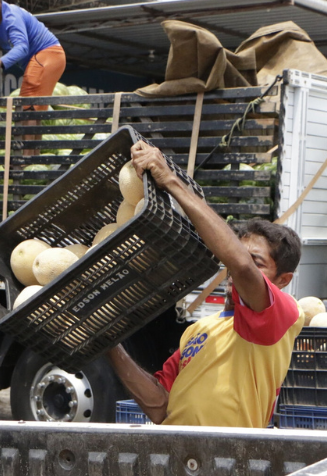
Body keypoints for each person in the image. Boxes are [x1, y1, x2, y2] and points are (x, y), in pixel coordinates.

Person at [106, 141, 304, 428]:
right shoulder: (198, 331)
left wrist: (170, 180)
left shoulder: (282, 316)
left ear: (283, 280)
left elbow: (240, 265)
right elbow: (159, 406)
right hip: (175, 456)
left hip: (228, 459)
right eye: (239, 254)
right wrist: (110, 346)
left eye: (257, 262)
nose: (236, 270)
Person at [0, 0, 66, 105]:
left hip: (48, 54)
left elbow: (22, 47)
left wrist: (2, 61)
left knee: (27, 104)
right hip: (34, 60)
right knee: (30, 105)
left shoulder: (11, 16)